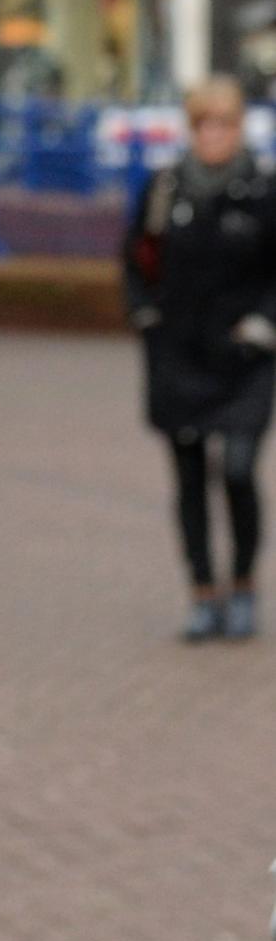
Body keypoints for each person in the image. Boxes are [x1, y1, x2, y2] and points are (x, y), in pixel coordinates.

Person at [123, 74, 276, 641]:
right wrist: (143, 315)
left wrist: (264, 323)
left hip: (245, 359)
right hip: (179, 356)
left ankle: (243, 584)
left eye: (225, 123)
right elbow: (135, 261)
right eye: (203, 123)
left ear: (240, 128)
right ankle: (202, 591)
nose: (213, 134)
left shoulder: (263, 190)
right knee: (188, 480)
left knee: (237, 470)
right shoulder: (165, 189)